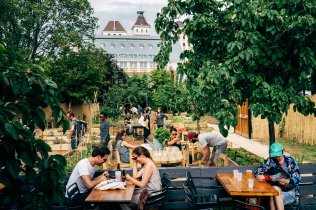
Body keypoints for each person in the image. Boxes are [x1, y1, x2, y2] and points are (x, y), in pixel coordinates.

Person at [254, 143, 300, 210]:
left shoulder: (290, 161)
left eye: (278, 155)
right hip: (276, 190)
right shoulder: (270, 161)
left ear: (283, 152)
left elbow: (297, 178)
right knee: (275, 190)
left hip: (290, 191)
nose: (276, 158)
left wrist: (288, 181)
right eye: (274, 156)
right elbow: (257, 173)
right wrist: (262, 175)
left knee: (275, 195)